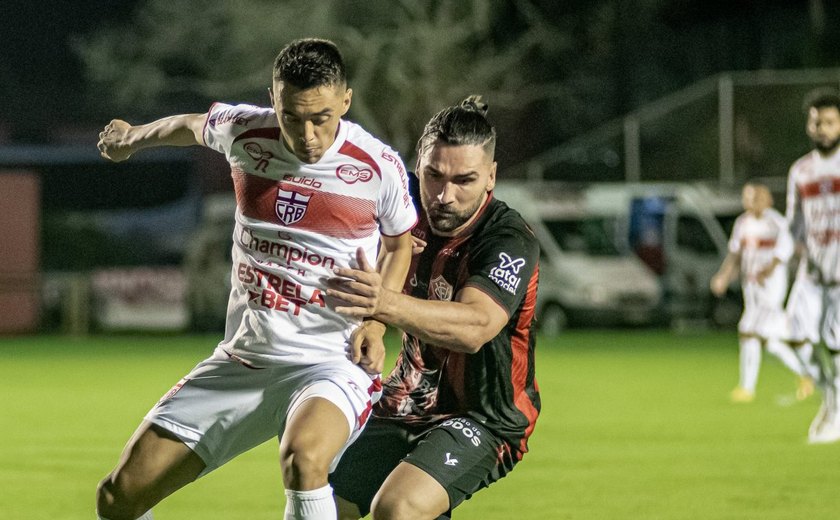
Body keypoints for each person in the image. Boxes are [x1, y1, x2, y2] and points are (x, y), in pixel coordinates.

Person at [94, 38, 417, 520]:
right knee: (118, 498)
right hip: (243, 359)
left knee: (304, 459)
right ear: (273, 98)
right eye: (292, 116)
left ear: (345, 101)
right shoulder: (244, 131)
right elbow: (187, 126)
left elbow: (399, 244)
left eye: (321, 117)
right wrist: (131, 136)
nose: (307, 134)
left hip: (329, 362)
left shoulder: (377, 167)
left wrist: (376, 321)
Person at [326, 96, 541, 520]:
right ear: (417, 166)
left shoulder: (507, 239)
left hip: (482, 415)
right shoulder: (398, 206)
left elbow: (475, 327)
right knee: (322, 499)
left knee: (400, 507)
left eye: (464, 180)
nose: (444, 195)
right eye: (433, 176)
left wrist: (381, 303)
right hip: (403, 403)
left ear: (491, 176)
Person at [710, 183, 811, 403]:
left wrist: (770, 268)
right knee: (771, 341)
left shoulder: (776, 222)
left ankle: (747, 389)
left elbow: (786, 249)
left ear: (767, 200)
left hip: (771, 288)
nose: (750, 202)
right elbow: (735, 255)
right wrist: (723, 277)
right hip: (751, 288)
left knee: (747, 330)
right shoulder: (742, 223)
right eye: (747, 197)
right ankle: (806, 374)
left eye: (755, 197)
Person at [785, 88, 840, 443]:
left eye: (830, 122)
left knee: (834, 342)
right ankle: (833, 398)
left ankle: (835, 411)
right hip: (812, 271)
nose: (822, 128)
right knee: (791, 337)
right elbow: (794, 225)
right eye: (816, 121)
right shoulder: (800, 171)